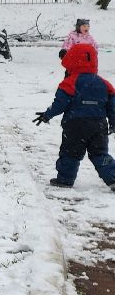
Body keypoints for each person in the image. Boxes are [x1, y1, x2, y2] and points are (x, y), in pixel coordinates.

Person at [34, 44, 115, 190]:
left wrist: (47, 115)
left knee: (70, 153)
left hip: (75, 125)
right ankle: (113, 177)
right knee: (100, 153)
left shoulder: (70, 82)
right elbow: (112, 106)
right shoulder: (104, 84)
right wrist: (113, 122)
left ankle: (65, 180)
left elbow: (60, 104)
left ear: (71, 60)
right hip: (99, 125)